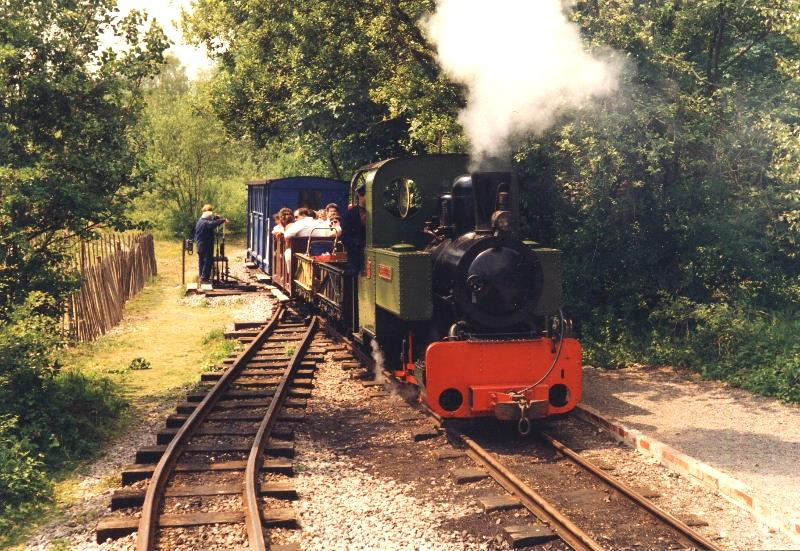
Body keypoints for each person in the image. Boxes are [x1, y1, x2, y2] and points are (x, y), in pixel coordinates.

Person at [195, 204, 228, 283]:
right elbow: (212, 224)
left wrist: (215, 218)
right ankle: (204, 279)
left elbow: (210, 222)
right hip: (206, 245)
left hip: (200, 245)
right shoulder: (206, 223)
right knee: (207, 261)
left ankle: (201, 277)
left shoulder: (200, 221)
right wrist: (222, 220)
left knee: (201, 262)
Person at [341, 185, 366, 276]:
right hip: (356, 257)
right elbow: (344, 237)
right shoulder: (349, 214)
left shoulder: (379, 213)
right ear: (360, 195)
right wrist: (357, 243)